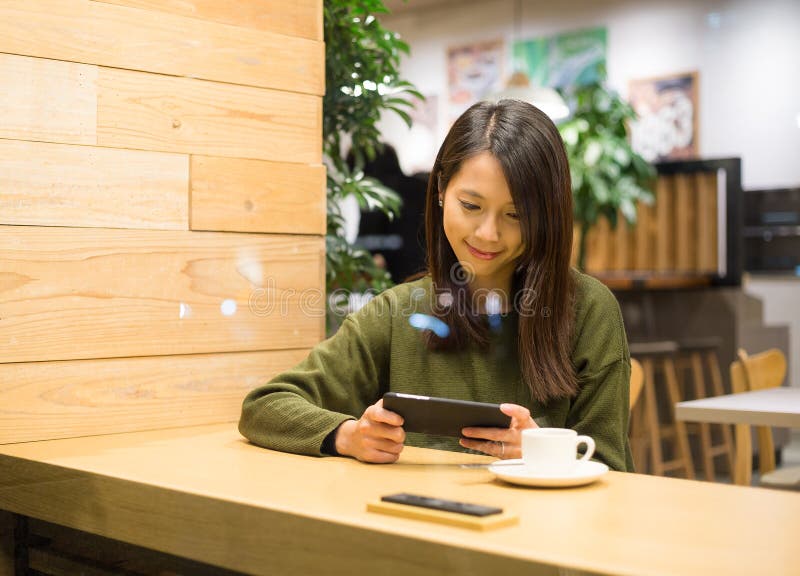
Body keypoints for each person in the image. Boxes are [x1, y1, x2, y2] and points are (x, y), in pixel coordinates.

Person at [239, 99, 633, 472]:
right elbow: (266, 406)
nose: (488, 233)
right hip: (414, 530)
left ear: (547, 215)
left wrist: (545, 450)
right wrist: (349, 436)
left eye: (515, 214)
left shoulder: (587, 310)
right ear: (442, 190)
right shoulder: (398, 313)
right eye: (471, 206)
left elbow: (614, 468)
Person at [353, 144, 427, 283]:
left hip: (401, 282)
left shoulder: (375, 195)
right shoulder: (422, 185)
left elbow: (366, 251)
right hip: (435, 275)